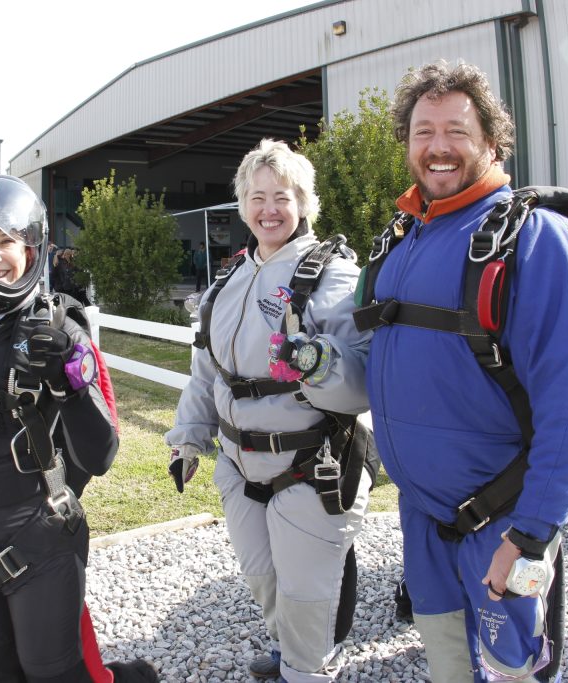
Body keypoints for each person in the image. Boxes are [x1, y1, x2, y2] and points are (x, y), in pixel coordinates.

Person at [361, 61, 568, 681]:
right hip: (424, 519)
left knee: (513, 671)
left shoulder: (537, 241)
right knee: (449, 663)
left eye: (457, 130)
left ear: (492, 143)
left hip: (502, 521)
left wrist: (531, 534)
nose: (438, 147)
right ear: (406, 143)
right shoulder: (401, 241)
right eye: (423, 131)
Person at [0, 173, 158, 682]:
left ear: (31, 250)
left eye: (6, 242)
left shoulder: (59, 329)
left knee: (53, 671)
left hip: (36, 537)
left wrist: (68, 380)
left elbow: (99, 455)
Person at [165, 139, 372, 683]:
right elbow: (207, 370)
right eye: (257, 197)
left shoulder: (332, 276)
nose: (269, 209)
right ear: (243, 205)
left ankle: (306, 670)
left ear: (303, 202)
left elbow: (363, 380)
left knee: (307, 594)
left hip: (309, 465)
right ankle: (290, 651)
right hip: (238, 465)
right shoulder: (227, 283)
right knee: (264, 578)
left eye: (281, 196)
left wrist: (319, 363)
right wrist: (190, 436)